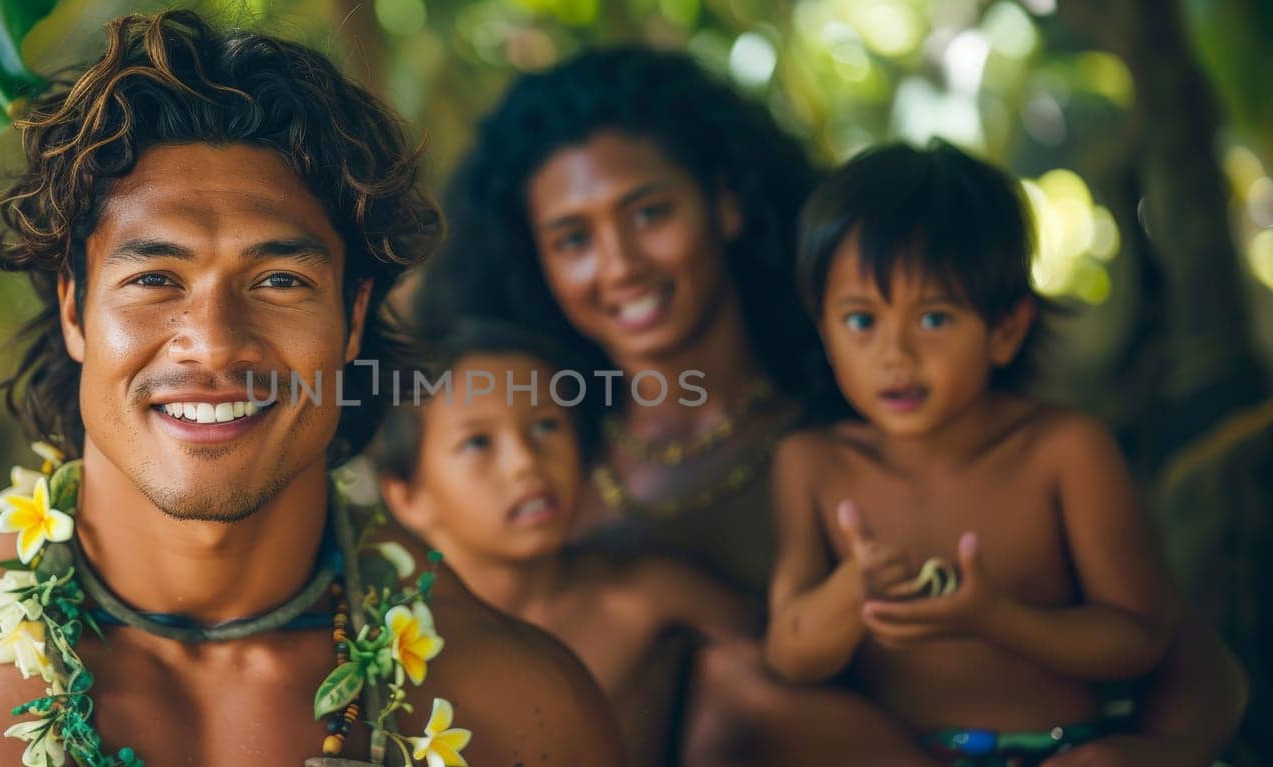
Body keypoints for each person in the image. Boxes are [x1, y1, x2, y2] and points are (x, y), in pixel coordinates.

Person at [0, 11, 621, 766]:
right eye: (155, 279)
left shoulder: (515, 711)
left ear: (351, 322)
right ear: (75, 309)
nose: (214, 343)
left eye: (279, 281)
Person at [415, 46, 1247, 766]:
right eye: (573, 239)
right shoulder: (532, 482)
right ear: (538, 264)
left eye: (650, 212)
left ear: (728, 204)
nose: (620, 262)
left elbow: (1187, 656)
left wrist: (1152, 753)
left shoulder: (895, 413)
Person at [767, 141, 1179, 765]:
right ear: (824, 331)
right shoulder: (813, 465)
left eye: (933, 319)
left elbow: (1140, 639)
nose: (895, 355)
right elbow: (790, 656)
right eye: (860, 321)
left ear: (1007, 330)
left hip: (1058, 753)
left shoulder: (1063, 452)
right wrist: (855, 589)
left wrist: (1000, 620)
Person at [371, 319, 758, 765]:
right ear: (407, 496)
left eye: (545, 426)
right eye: (478, 442)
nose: (524, 463)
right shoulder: (387, 642)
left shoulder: (646, 598)